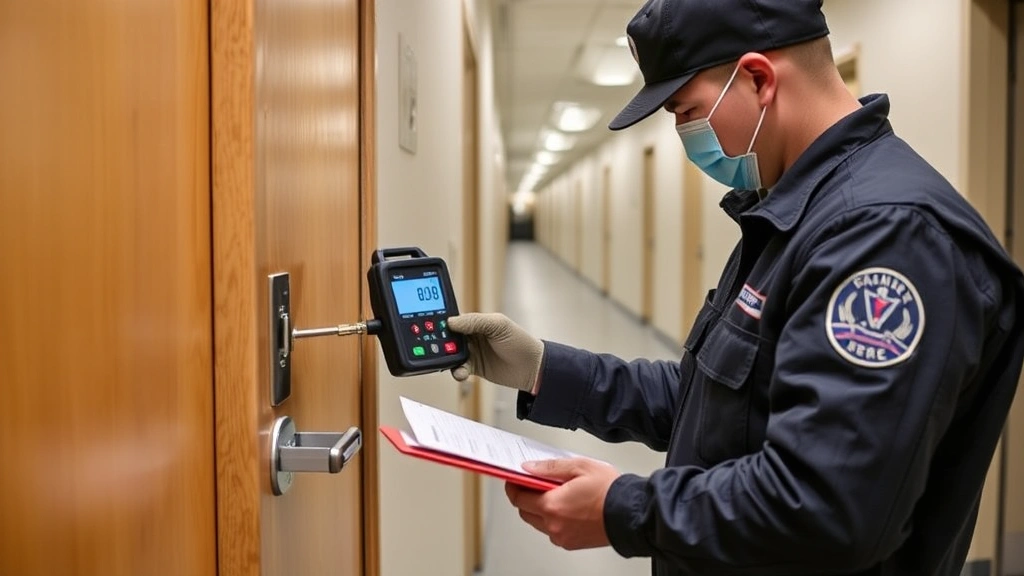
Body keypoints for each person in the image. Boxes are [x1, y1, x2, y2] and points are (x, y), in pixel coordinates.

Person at [448, 0, 1024, 574]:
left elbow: (827, 509)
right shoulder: (794, 213)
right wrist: (542, 369)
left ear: (757, 78)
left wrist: (622, 509)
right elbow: (717, 405)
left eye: (685, 110)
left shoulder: (885, 235)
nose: (682, 133)